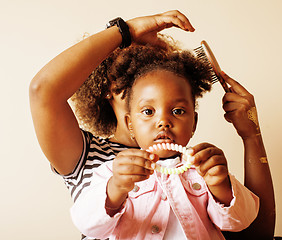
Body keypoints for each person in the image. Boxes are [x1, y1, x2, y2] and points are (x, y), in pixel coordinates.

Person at [29, 10, 275, 239]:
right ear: (107, 87)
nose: (162, 118)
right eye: (131, 73)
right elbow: (43, 91)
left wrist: (251, 135)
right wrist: (126, 31)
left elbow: (255, 232)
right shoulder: (88, 156)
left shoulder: (194, 165)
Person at [69, 46, 260, 239]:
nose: (163, 122)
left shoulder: (204, 168)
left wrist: (221, 186)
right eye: (148, 112)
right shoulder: (112, 172)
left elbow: (243, 220)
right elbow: (87, 225)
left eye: (177, 111)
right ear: (130, 124)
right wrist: (115, 189)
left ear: (194, 123)